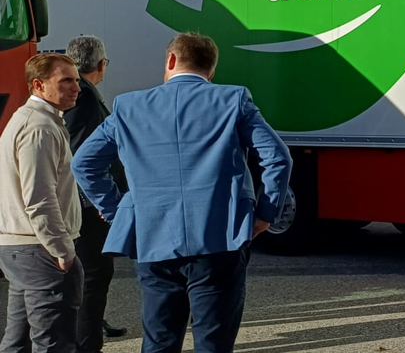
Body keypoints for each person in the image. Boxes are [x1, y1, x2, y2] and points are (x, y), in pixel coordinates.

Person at [72, 33, 293, 353]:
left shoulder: (128, 106)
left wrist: (117, 210)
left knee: (160, 340)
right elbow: (278, 158)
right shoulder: (233, 99)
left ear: (171, 60)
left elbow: (84, 163)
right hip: (219, 239)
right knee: (214, 342)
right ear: (211, 70)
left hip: (153, 237)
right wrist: (265, 215)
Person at [0, 53, 83, 353]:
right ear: (38, 85)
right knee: (53, 343)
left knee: (17, 342)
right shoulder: (40, 127)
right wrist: (63, 250)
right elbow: (39, 198)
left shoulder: (30, 119)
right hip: (39, 249)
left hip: (24, 247)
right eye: (66, 81)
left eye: (76, 80)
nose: (77, 88)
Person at [63, 36, 127, 350]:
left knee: (89, 274)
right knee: (94, 275)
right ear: (101, 65)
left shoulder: (79, 93)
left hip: (83, 202)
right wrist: (98, 202)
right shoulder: (84, 97)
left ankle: (91, 325)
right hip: (88, 206)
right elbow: (82, 156)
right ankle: (87, 340)